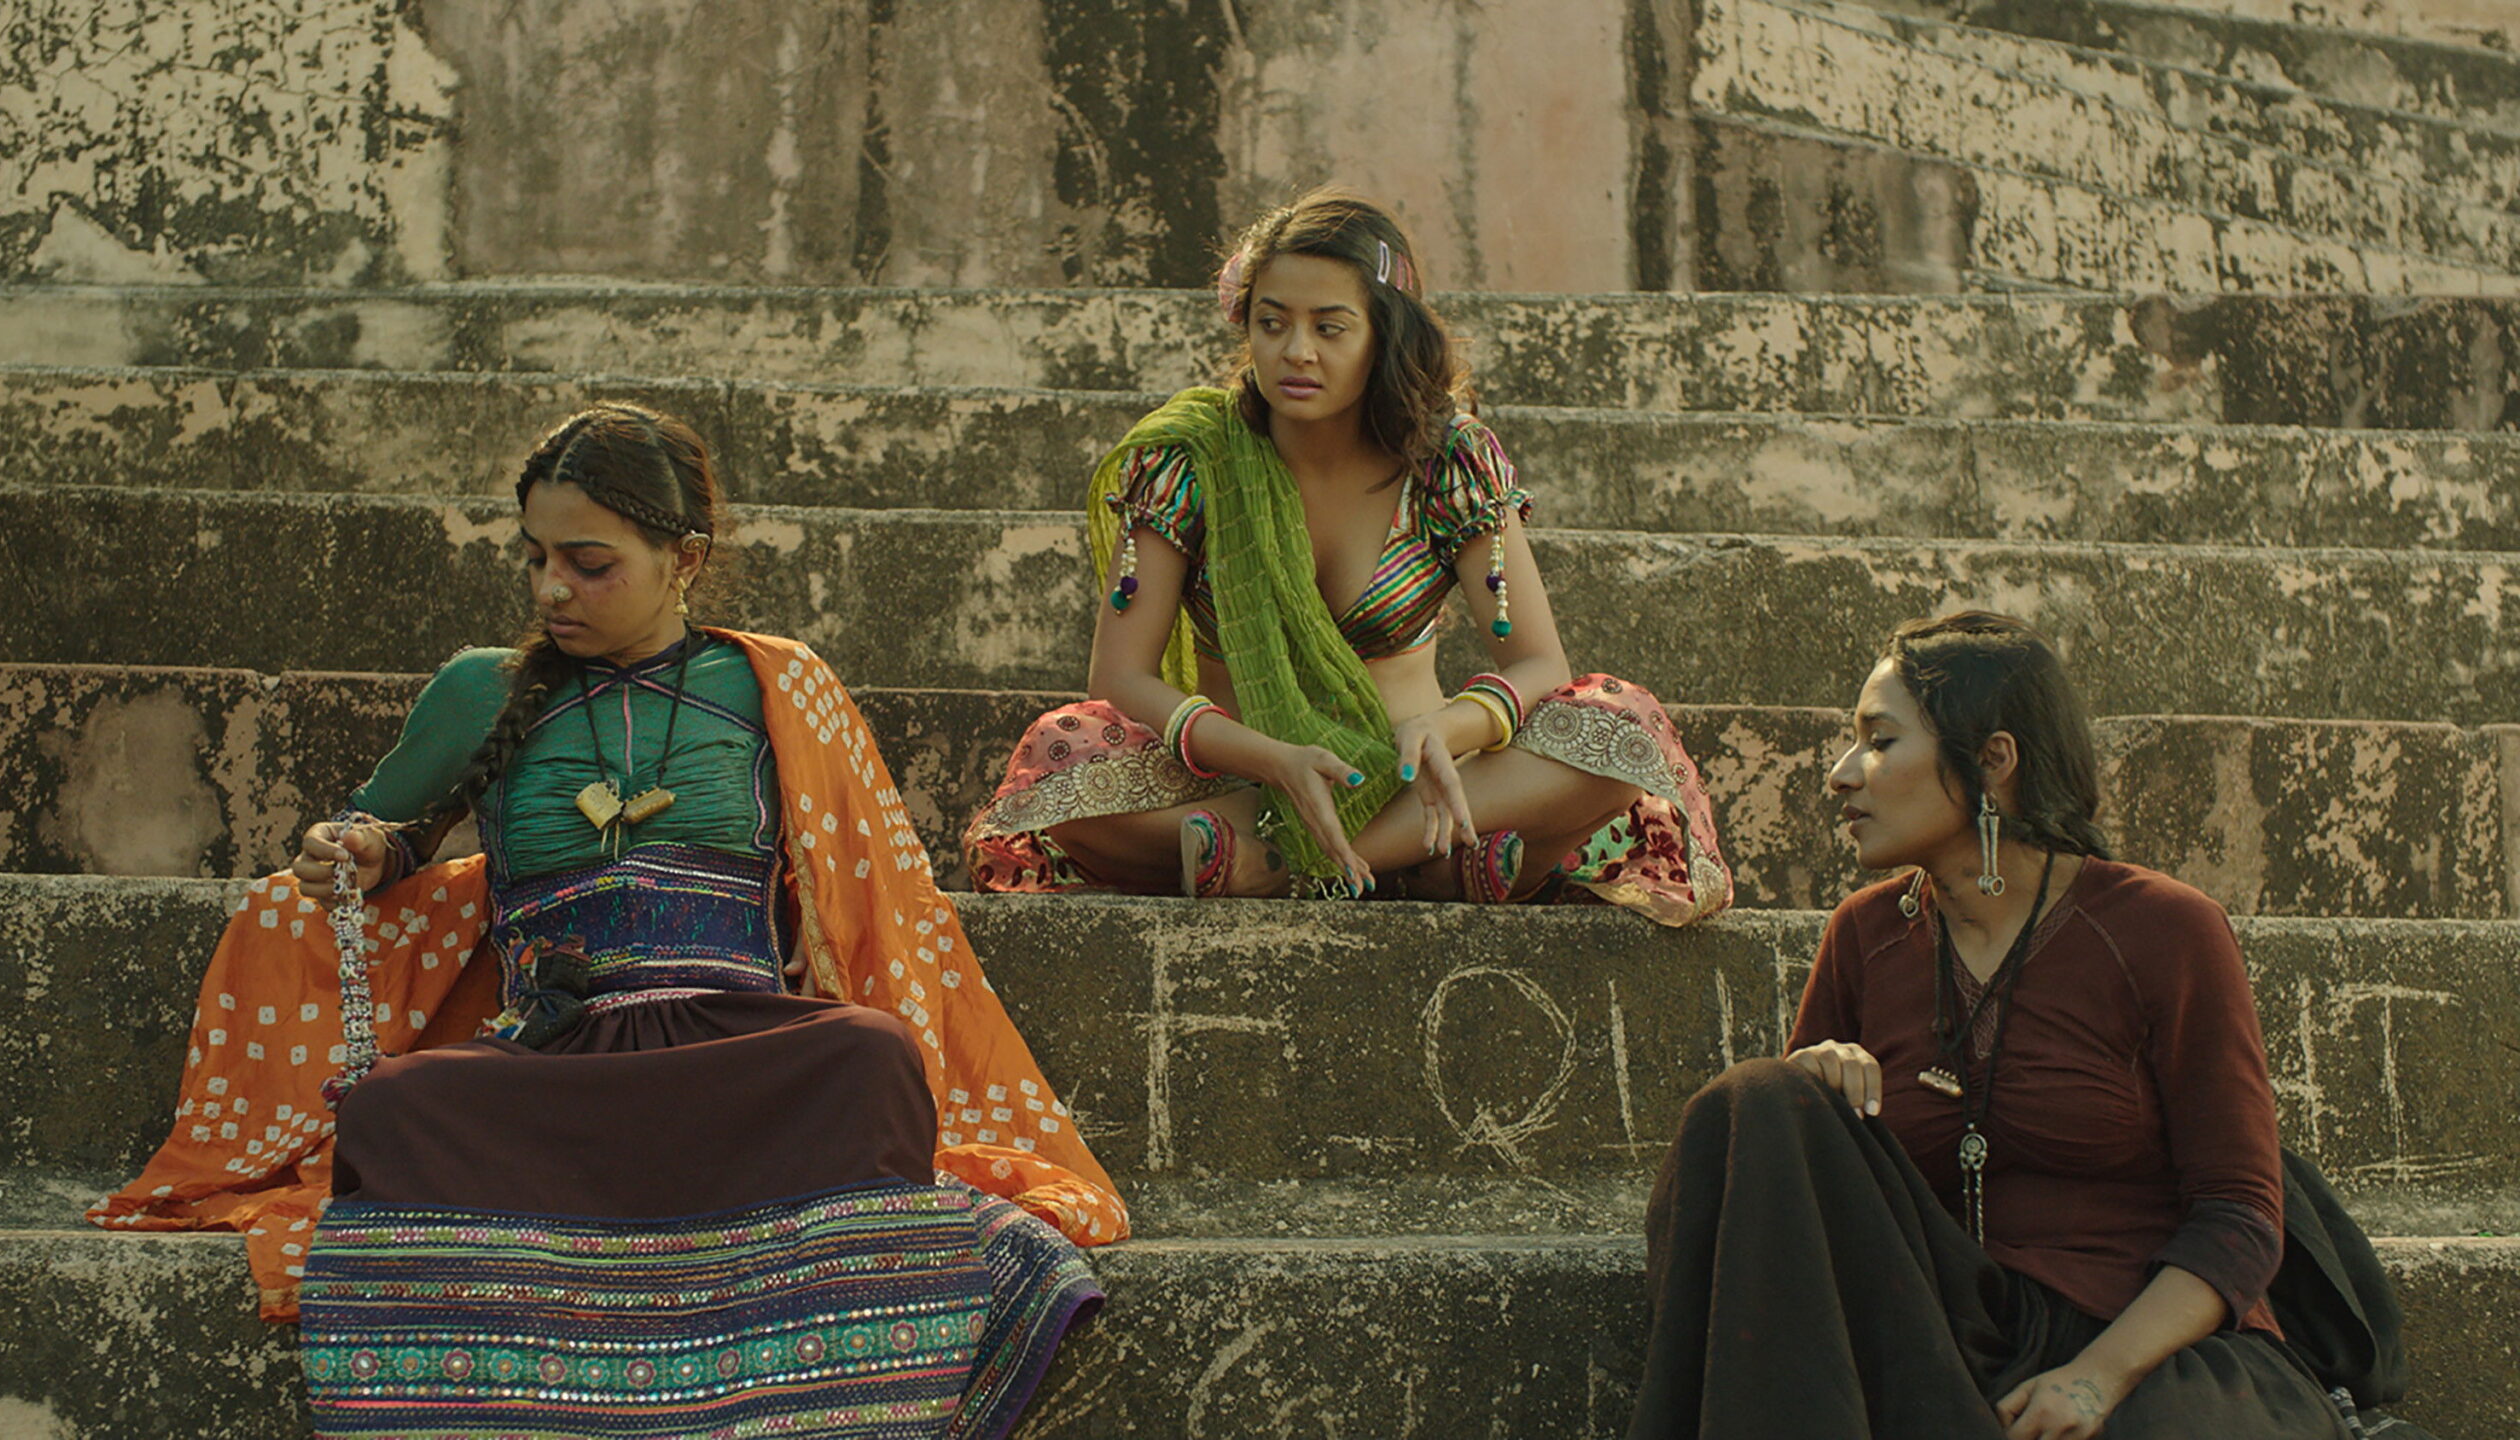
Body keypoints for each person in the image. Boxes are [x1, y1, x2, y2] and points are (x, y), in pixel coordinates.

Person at [92, 404, 1124, 1440]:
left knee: (870, 1054)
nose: (552, 588)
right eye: (536, 557)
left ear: (685, 559)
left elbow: (872, 891)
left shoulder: (776, 682)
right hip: (552, 1058)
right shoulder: (481, 689)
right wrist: (353, 852)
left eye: (589, 563)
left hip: (736, 1052)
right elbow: (385, 835)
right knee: (393, 1108)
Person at [1629, 612, 2410, 1440]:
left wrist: (2095, 1380)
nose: (1840, 775)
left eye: (1880, 742)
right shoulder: (1864, 936)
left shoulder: (2166, 930)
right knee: (1757, 1101)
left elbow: (2241, 1215)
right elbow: (1798, 1230)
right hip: (1944, 1340)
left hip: (2136, 1347)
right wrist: (1814, 1080)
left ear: (1993, 760)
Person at [964, 189, 1728, 922]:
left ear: (1383, 334)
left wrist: (1452, 728)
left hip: (1412, 781)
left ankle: (1296, 866)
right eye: (1272, 323)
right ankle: (1417, 865)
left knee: (1623, 731)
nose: (1296, 352)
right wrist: (1274, 759)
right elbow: (1120, 677)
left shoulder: (1445, 460)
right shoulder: (1190, 460)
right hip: (1241, 781)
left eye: (1330, 328)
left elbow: (1537, 661)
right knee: (1058, 757)